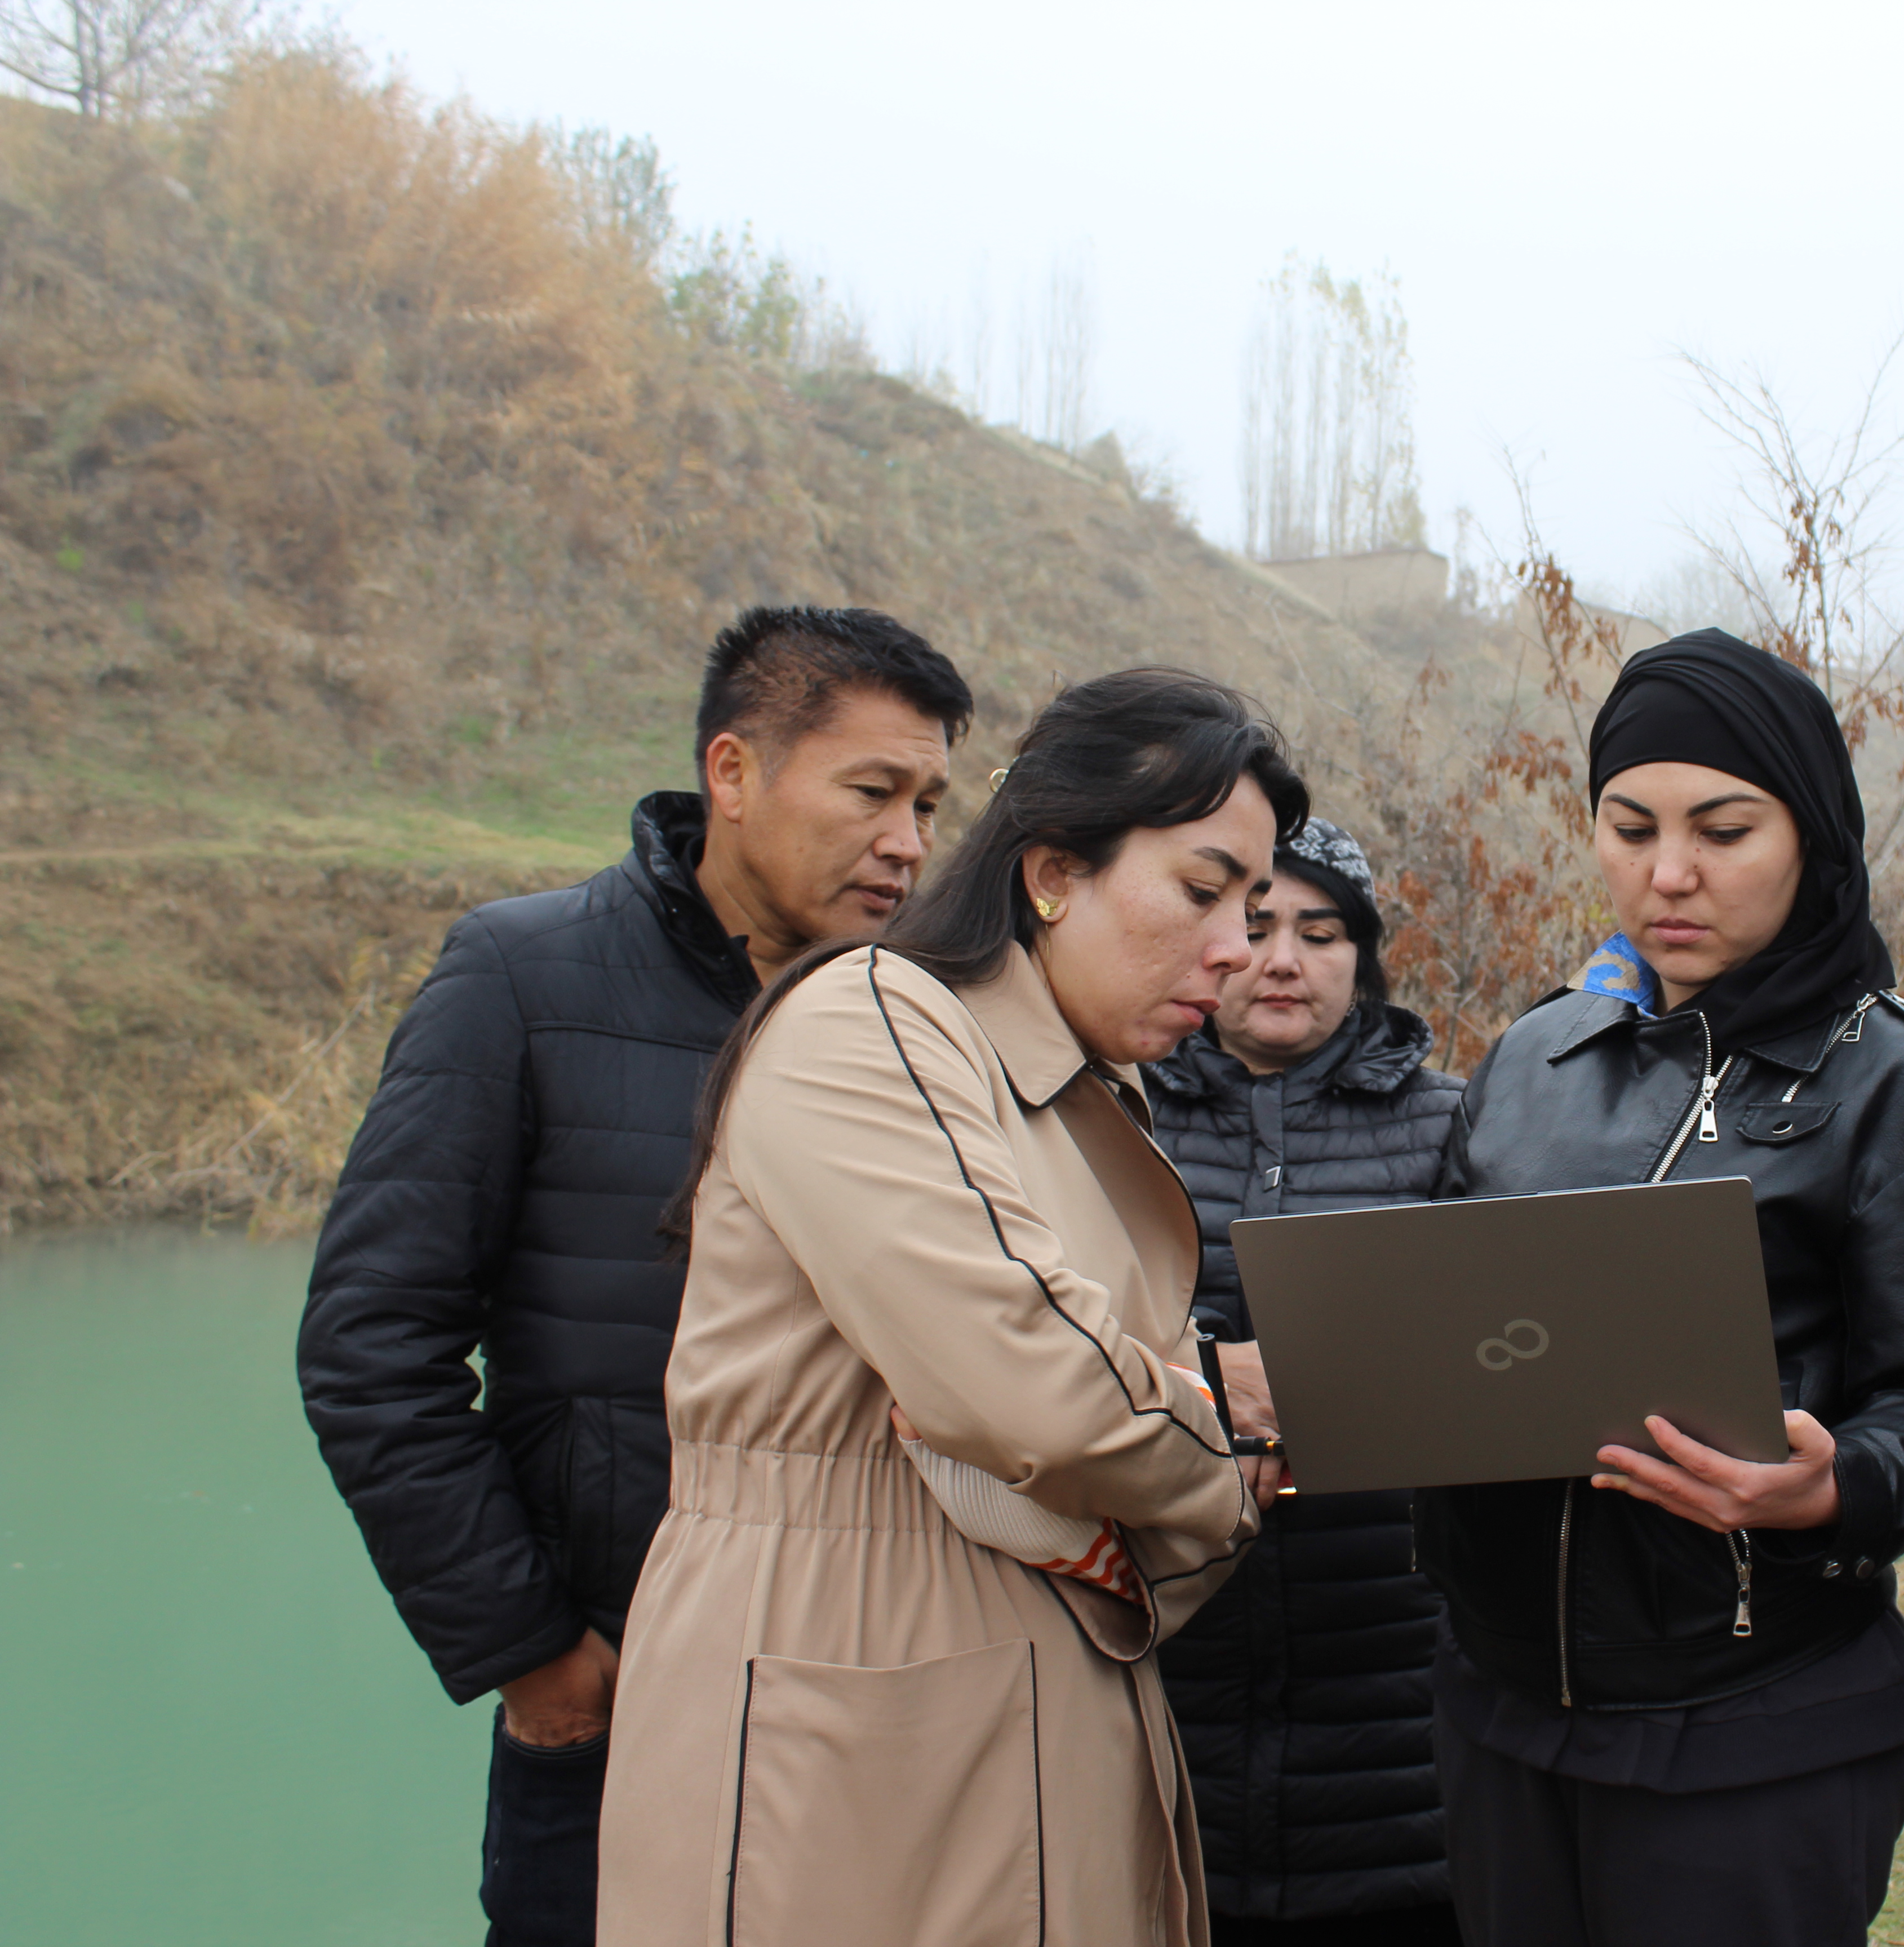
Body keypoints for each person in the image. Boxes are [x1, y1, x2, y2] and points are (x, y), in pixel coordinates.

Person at [594, 669, 1310, 1947]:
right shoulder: (871, 1025)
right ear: (1051, 874)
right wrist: (1227, 1461)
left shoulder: (1080, 1094)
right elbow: (1035, 1384)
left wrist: (1205, 1412)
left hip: (1040, 1698)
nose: (1238, 950)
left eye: (1253, 910)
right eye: (1203, 892)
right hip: (851, 1687)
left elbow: (1085, 1394)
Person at [298, 607, 971, 1947]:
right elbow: (373, 1343)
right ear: (734, 773)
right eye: (872, 792)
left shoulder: (923, 1019)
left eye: (931, 802)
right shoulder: (521, 975)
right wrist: (534, 1656)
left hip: (874, 1684)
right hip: (620, 1693)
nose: (908, 842)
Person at [1418, 628, 1904, 1947]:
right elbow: (1457, 1326)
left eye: (1723, 828)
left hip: (1756, 1716)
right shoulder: (1535, 1054)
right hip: (1504, 1709)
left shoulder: (1897, 1079)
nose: (1667, 873)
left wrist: (1834, 1487)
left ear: (1813, 836)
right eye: (1628, 827)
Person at [1145, 817, 1467, 1946]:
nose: (1284, 960)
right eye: (1255, 924)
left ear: (1365, 955)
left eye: (1322, 932)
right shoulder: (1109, 1114)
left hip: (1397, 1704)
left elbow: (1506, 1353)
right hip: (1161, 1681)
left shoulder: (1457, 1126)